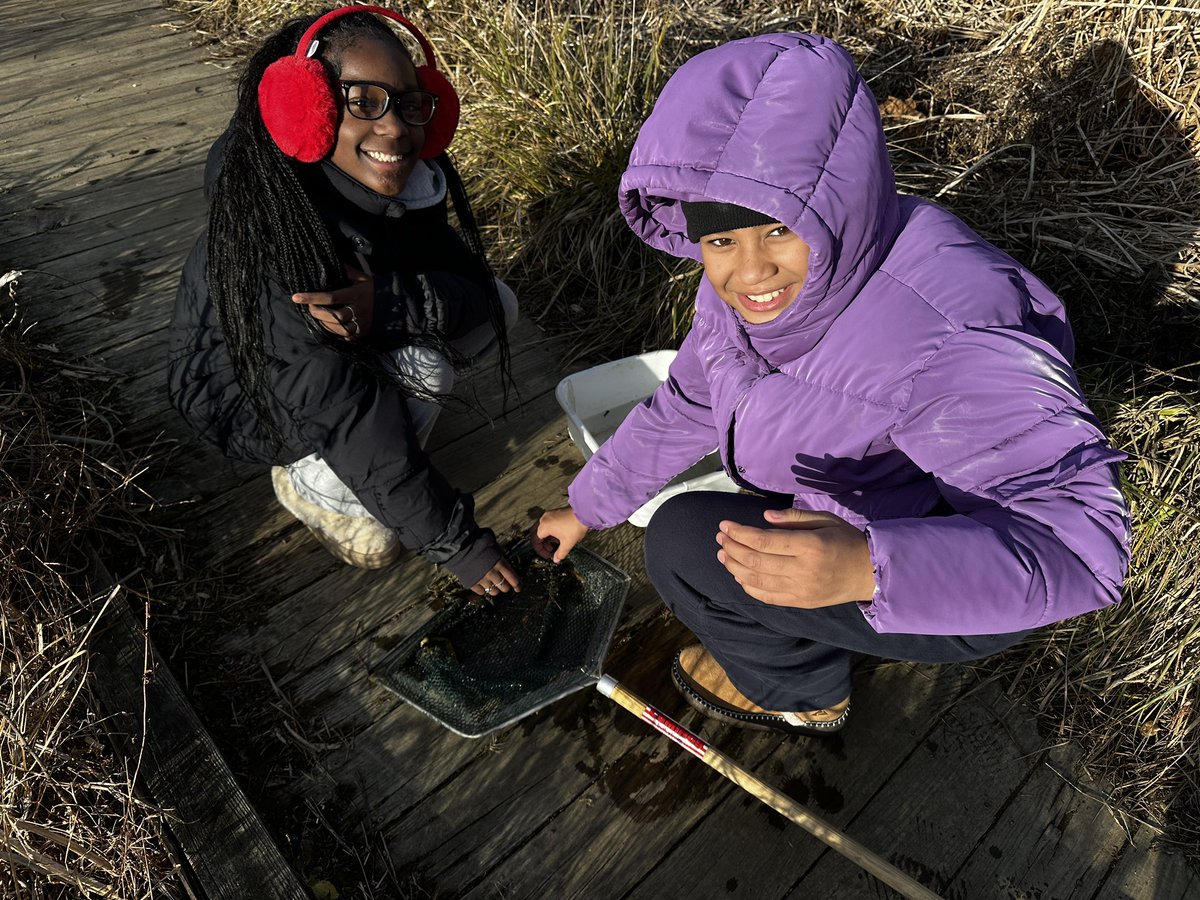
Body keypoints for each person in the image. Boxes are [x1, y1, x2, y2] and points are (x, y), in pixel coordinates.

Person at [535, 33, 1129, 734]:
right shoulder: (741, 296)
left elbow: (1085, 547)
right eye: (720, 240)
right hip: (853, 505)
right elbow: (692, 399)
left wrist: (869, 569)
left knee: (679, 544)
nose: (749, 273)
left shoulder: (950, 332)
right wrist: (586, 506)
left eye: (777, 231)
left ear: (833, 206)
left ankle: (801, 690)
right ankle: (805, 631)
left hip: (958, 566)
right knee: (701, 533)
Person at [169, 6, 522, 597]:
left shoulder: (405, 184)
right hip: (241, 392)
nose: (394, 129)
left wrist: (385, 303)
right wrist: (459, 545)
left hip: (332, 362)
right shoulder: (274, 233)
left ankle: (386, 444)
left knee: (499, 305)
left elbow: (475, 295)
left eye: (409, 103)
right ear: (307, 111)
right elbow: (342, 405)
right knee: (419, 381)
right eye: (362, 101)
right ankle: (312, 483)